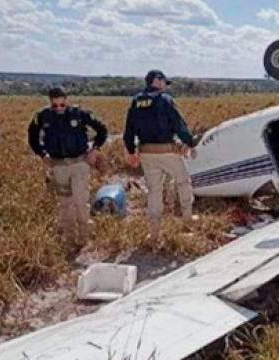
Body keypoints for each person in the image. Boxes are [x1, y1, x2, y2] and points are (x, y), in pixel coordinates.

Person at [27, 86, 108, 249]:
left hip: (79, 163)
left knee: (80, 201)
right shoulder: (43, 116)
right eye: (55, 106)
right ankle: (69, 240)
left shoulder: (79, 114)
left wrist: (94, 150)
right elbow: (32, 137)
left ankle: (84, 238)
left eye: (62, 105)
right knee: (65, 204)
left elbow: (102, 130)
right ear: (50, 103)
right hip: (58, 166)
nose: (59, 109)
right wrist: (43, 155)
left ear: (66, 100)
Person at [123, 70, 197, 239]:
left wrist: (131, 151)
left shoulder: (136, 102)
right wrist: (190, 142)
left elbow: (128, 132)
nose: (165, 85)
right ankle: (187, 221)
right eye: (164, 81)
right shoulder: (164, 99)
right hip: (167, 151)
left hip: (147, 153)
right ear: (157, 80)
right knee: (183, 182)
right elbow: (179, 124)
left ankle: (154, 231)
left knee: (154, 190)